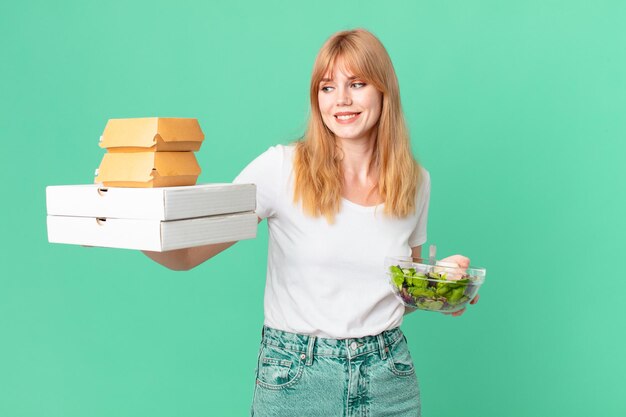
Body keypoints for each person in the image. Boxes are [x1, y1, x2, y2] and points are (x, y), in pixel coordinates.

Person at [143, 28, 479, 417]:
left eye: (357, 83)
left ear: (384, 91)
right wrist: (120, 220)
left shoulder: (415, 181)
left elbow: (402, 296)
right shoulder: (281, 168)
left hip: (389, 377)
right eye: (327, 87)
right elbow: (185, 255)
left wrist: (441, 286)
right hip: (297, 377)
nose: (342, 100)